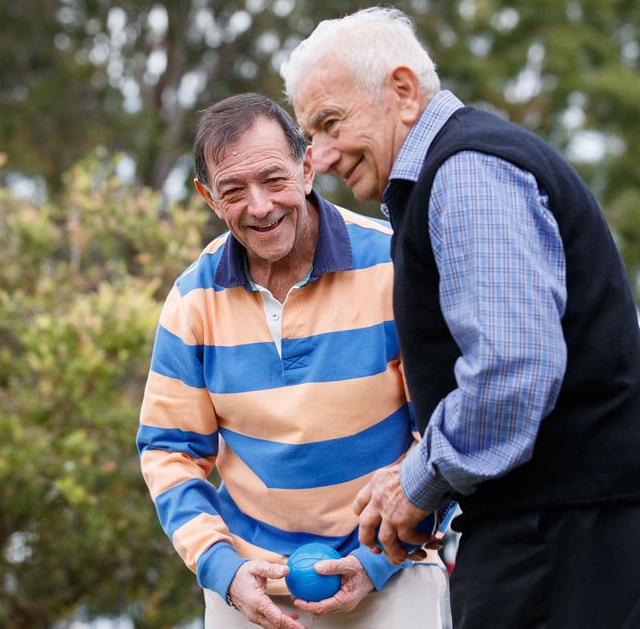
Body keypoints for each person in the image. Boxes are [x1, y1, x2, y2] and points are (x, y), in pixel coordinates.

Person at [281, 7, 640, 629]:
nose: (323, 157)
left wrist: (417, 481)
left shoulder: (467, 171)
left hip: (565, 522)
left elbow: (512, 369)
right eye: (312, 135)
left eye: (331, 124)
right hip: (557, 518)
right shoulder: (447, 173)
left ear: (404, 92)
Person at [136, 92, 448, 629]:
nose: (259, 206)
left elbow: (443, 429)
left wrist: (376, 559)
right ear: (208, 197)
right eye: (233, 190)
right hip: (249, 586)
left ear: (306, 166)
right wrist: (222, 567)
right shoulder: (192, 300)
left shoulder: (394, 265)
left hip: (394, 572)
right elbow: (170, 452)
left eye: (273, 180)